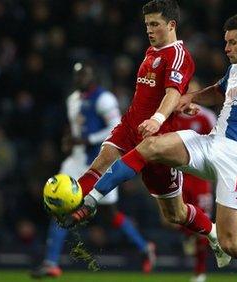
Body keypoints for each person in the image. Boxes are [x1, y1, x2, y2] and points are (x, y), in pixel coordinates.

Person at [66, 14, 237, 282]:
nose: (226, 48)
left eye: (232, 43)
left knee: (231, 243)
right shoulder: (234, 70)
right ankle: (91, 200)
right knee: (150, 146)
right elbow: (217, 92)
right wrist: (191, 98)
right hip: (212, 143)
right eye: (225, 42)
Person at [58, 0, 231, 269]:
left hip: (159, 139)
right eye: (147, 24)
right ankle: (70, 202)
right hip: (130, 127)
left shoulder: (179, 55)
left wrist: (159, 118)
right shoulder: (152, 51)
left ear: (171, 25)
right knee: (99, 164)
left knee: (175, 214)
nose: (149, 30)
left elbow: (173, 92)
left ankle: (213, 233)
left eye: (155, 24)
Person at [30, 62, 155, 278]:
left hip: (100, 162)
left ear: (94, 77)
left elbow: (116, 128)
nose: (80, 78)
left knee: (110, 214)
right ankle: (50, 262)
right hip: (75, 161)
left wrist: (87, 139)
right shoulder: (72, 100)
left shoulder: (105, 99)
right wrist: (70, 140)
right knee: (60, 205)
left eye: (85, 74)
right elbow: (77, 126)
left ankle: (145, 248)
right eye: (77, 75)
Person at [173, 104, 216, 282]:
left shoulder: (206, 117)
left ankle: (200, 272)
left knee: (203, 227)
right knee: (177, 218)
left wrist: (214, 176)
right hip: (179, 175)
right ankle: (187, 237)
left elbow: (217, 145)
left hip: (200, 178)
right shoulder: (172, 115)